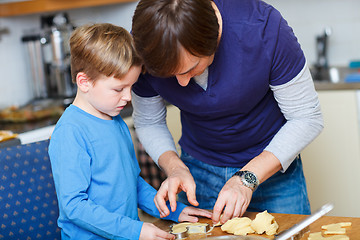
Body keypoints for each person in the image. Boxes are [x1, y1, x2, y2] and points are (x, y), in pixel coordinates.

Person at [130, 0, 324, 225]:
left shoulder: (263, 28)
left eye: (190, 68)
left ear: (216, 36)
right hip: (197, 172)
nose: (181, 84)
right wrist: (174, 168)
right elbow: (148, 121)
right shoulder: (146, 42)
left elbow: (306, 117)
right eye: (168, 75)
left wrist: (247, 179)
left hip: (273, 172)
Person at [48, 23, 212, 240]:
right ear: (84, 82)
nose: (127, 97)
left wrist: (174, 210)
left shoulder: (116, 122)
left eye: (131, 87)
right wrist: (136, 230)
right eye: (118, 89)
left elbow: (132, 183)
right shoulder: (70, 132)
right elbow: (74, 207)